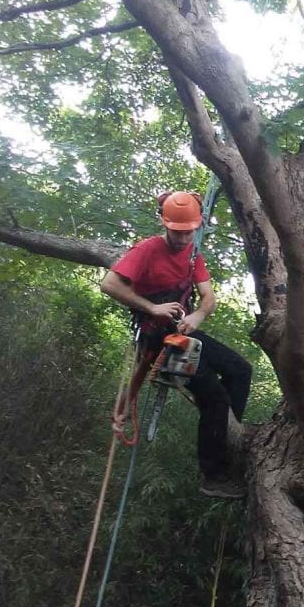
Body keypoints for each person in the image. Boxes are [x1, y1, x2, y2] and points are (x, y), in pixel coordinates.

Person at [101, 190, 252, 498]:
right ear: (165, 224)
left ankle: (224, 437)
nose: (183, 239)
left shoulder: (193, 255)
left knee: (241, 370)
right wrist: (152, 307)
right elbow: (109, 284)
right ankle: (214, 474)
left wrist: (197, 315)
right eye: (178, 232)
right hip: (159, 338)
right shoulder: (148, 250)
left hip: (184, 332)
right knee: (214, 398)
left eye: (189, 232)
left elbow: (209, 297)